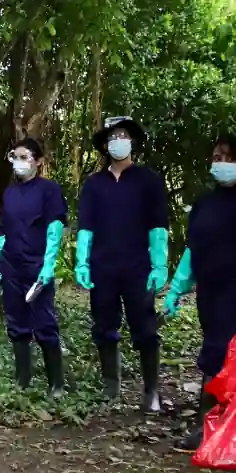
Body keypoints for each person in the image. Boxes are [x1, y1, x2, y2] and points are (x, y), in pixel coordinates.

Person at [163, 134, 236, 453]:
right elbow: (192, 252)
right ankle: (214, 424)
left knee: (222, 354)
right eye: (216, 156)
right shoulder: (204, 203)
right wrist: (176, 289)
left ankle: (216, 427)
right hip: (208, 292)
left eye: (227, 157)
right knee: (215, 352)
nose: (221, 163)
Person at [75, 115, 170, 411]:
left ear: (132, 142)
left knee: (144, 327)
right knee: (104, 325)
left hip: (137, 266)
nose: (119, 141)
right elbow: (85, 227)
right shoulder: (94, 185)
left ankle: (151, 390)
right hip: (103, 266)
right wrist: (82, 262)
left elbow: (158, 227)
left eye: (124, 135)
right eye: (114, 136)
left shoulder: (148, 181)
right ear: (105, 144)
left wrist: (159, 265)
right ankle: (110, 387)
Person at [0, 137, 68, 397]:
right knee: (16, 323)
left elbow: (55, 228)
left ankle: (56, 383)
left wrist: (48, 266)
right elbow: (3, 229)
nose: (19, 163)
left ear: (38, 161)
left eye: (25, 157)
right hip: (12, 265)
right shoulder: (10, 192)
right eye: (16, 157)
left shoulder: (49, 190)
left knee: (44, 322)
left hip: (37, 265)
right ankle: (23, 379)